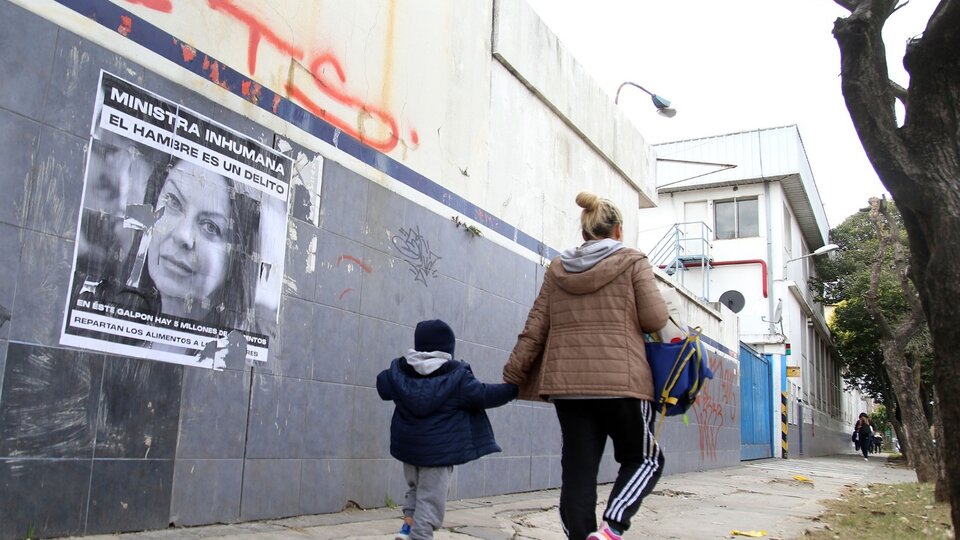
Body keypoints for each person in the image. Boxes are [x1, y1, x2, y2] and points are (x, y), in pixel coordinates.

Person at [502, 192, 670, 540]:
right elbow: (655, 318)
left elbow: (536, 327)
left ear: (584, 234)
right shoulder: (633, 261)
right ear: (618, 230)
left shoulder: (558, 269)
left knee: (578, 472)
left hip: (570, 389)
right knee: (645, 458)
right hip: (623, 383)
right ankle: (612, 527)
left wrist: (513, 376)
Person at [377, 319, 518, 540]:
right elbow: (483, 395)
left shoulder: (398, 370)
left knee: (416, 489)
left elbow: (382, 387)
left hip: (409, 450)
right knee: (431, 497)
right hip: (439, 453)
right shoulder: (457, 376)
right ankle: (420, 536)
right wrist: (513, 390)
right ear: (447, 349)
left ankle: (407, 528)